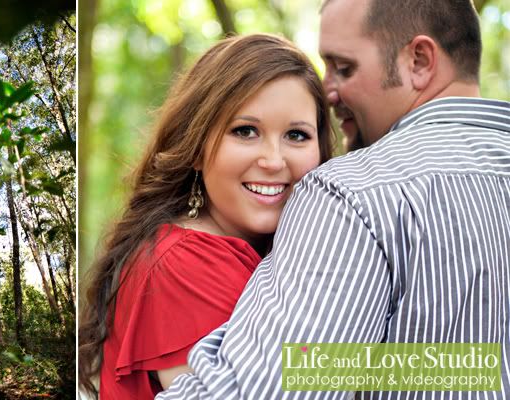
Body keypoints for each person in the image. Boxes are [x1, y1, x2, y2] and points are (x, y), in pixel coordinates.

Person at [158, 0, 510, 398]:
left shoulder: (354, 192)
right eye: (245, 131)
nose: (328, 91)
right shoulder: (181, 261)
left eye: (344, 68)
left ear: (420, 61)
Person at [78, 34, 334, 399]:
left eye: (296, 135)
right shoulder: (185, 262)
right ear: (195, 148)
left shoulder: (265, 251)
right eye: (245, 131)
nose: (274, 161)